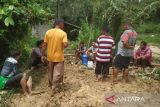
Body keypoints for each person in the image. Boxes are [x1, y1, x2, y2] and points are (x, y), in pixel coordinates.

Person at [41, 19, 68, 93]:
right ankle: (54, 86)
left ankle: (50, 84)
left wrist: (42, 54)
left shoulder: (48, 32)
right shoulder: (63, 33)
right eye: (63, 24)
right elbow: (65, 45)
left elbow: (44, 44)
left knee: (50, 71)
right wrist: (67, 44)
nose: (64, 26)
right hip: (59, 57)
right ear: (60, 24)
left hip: (50, 56)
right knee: (58, 72)